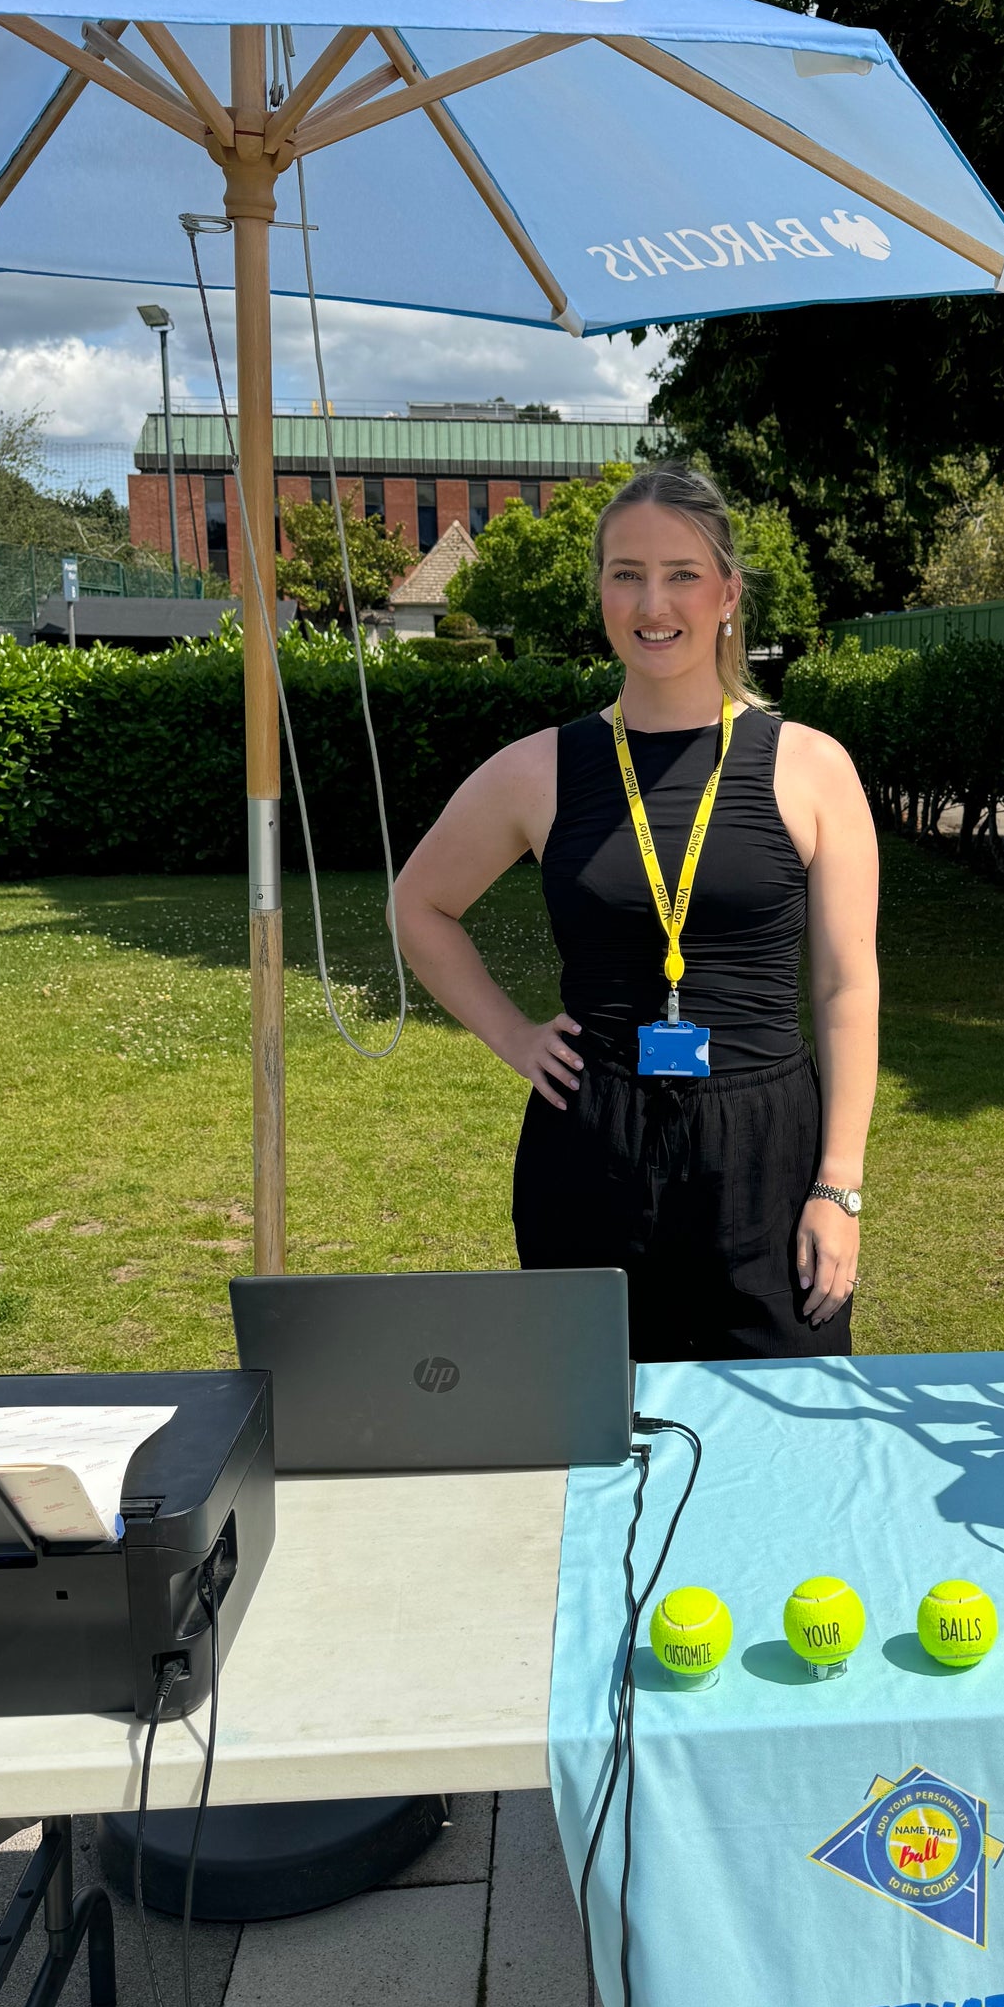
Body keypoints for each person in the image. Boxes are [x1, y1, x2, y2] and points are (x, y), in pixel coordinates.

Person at [393, 463, 880, 1361]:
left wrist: (839, 1185)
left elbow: (848, 986)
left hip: (767, 1152)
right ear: (602, 592)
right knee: (593, 1438)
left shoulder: (812, 768)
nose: (653, 602)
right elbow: (418, 904)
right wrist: (513, 1035)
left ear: (728, 592)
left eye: (682, 573)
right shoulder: (542, 769)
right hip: (591, 1145)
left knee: (788, 1439)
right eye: (626, 573)